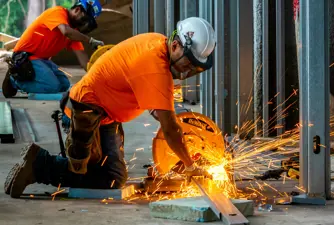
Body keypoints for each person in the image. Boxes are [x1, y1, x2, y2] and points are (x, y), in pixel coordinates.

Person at [5, 17, 216, 198]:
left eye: (193, 69)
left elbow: (151, 100)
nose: (186, 72)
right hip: (85, 112)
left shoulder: (156, 42)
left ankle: (45, 163)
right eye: (187, 64)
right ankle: (38, 165)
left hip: (105, 113)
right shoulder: (156, 68)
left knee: (115, 176)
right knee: (99, 176)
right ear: (176, 45)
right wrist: (190, 165)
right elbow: (170, 129)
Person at [1, 0, 105, 98]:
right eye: (85, 20)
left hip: (42, 60)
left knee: (64, 85)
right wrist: (90, 40)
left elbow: (83, 59)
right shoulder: (57, 13)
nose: (84, 25)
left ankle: (31, 81)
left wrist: (98, 79)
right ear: (77, 10)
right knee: (53, 86)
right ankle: (14, 80)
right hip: (26, 57)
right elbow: (65, 31)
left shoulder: (74, 32)